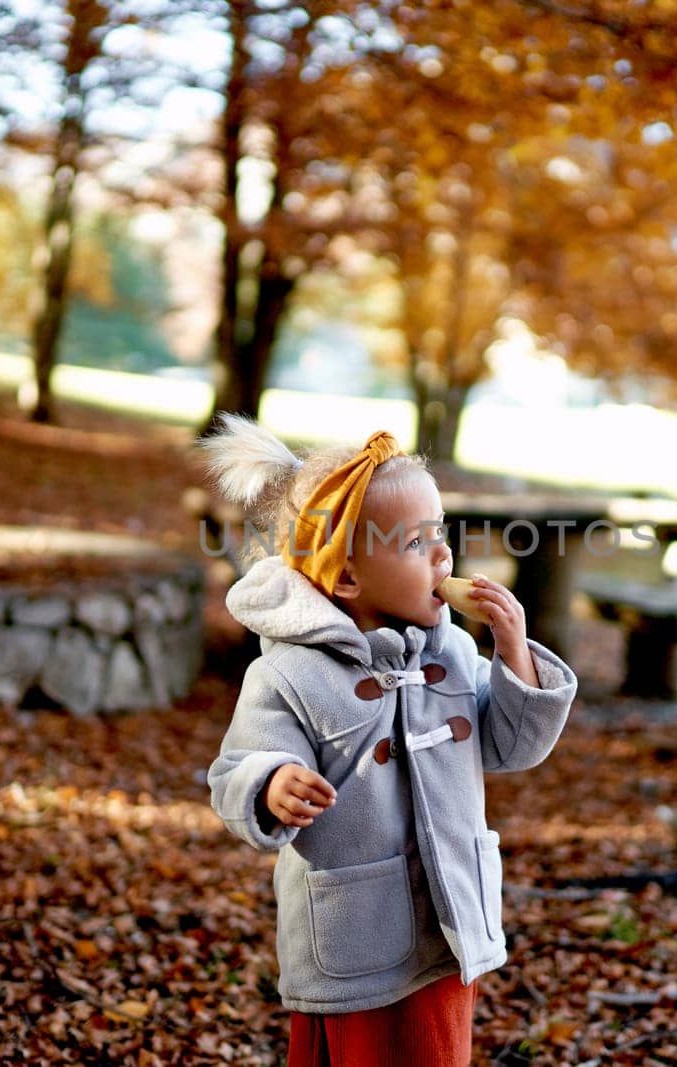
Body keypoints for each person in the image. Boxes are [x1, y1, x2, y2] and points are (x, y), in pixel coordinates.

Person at [201, 415, 577, 1067]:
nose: (443, 557)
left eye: (442, 536)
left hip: (448, 920)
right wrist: (271, 785)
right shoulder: (290, 672)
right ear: (346, 578)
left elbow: (510, 745)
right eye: (416, 543)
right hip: (356, 935)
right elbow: (238, 767)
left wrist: (513, 653)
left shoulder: (454, 650)